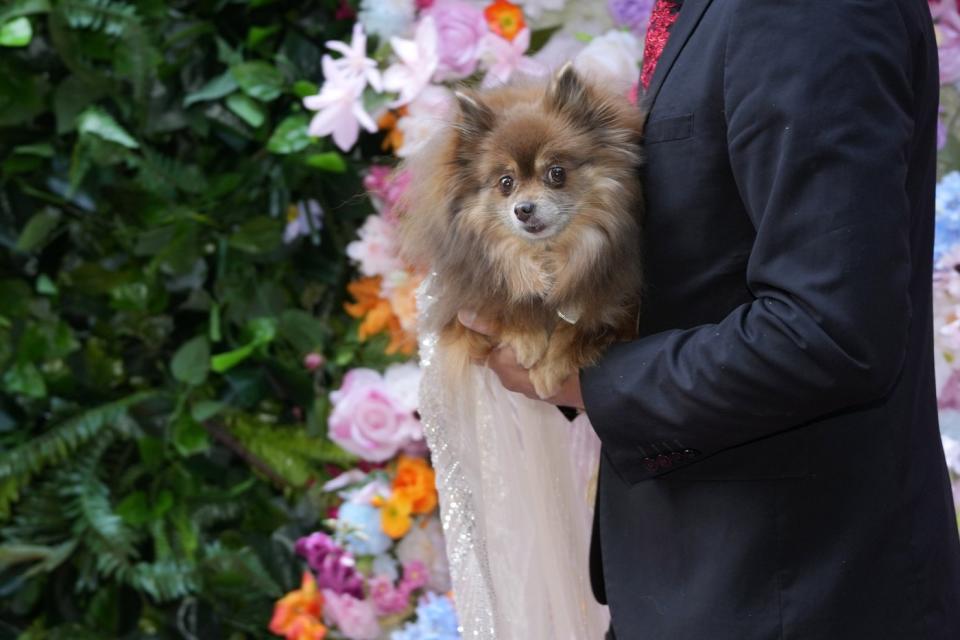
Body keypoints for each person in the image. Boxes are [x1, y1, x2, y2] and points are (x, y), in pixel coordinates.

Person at [459, 0, 960, 637]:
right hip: (701, 581)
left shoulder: (809, 13)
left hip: (794, 591)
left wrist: (579, 379)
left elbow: (830, 332)